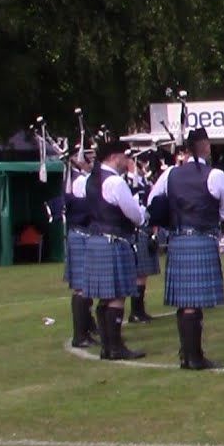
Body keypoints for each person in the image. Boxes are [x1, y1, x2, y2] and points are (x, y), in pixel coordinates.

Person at [148, 128, 224, 370]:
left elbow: (153, 201)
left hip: (178, 239)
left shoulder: (170, 174)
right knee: (193, 303)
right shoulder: (215, 175)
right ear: (205, 147)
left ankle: (187, 354)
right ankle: (194, 357)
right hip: (202, 237)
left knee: (185, 302)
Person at [84, 140, 147, 360]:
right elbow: (134, 215)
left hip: (95, 240)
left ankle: (107, 347)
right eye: (124, 156)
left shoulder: (91, 180)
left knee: (105, 297)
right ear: (113, 157)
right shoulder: (115, 182)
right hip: (114, 240)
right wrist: (142, 211)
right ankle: (115, 347)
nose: (127, 160)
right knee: (117, 296)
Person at [63, 150, 97, 348]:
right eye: (88, 158)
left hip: (84, 234)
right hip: (82, 233)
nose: (92, 162)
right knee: (82, 286)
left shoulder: (85, 179)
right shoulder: (80, 181)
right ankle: (80, 335)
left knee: (86, 285)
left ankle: (88, 328)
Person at [125, 154, 158, 323]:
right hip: (136, 229)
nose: (142, 166)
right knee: (139, 272)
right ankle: (135, 311)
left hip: (146, 227)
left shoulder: (145, 181)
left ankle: (139, 309)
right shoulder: (126, 182)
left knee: (143, 273)